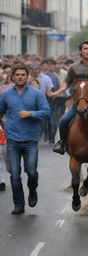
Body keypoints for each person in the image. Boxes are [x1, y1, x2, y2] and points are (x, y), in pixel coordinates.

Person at [0, 65, 51, 214]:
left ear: (27, 76)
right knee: (14, 174)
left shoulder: (36, 94)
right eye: (17, 75)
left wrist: (31, 114)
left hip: (30, 139)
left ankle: (32, 189)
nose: (20, 77)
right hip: (13, 139)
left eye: (23, 74)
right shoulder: (6, 94)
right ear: (13, 77)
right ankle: (19, 204)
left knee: (31, 172)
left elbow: (46, 111)